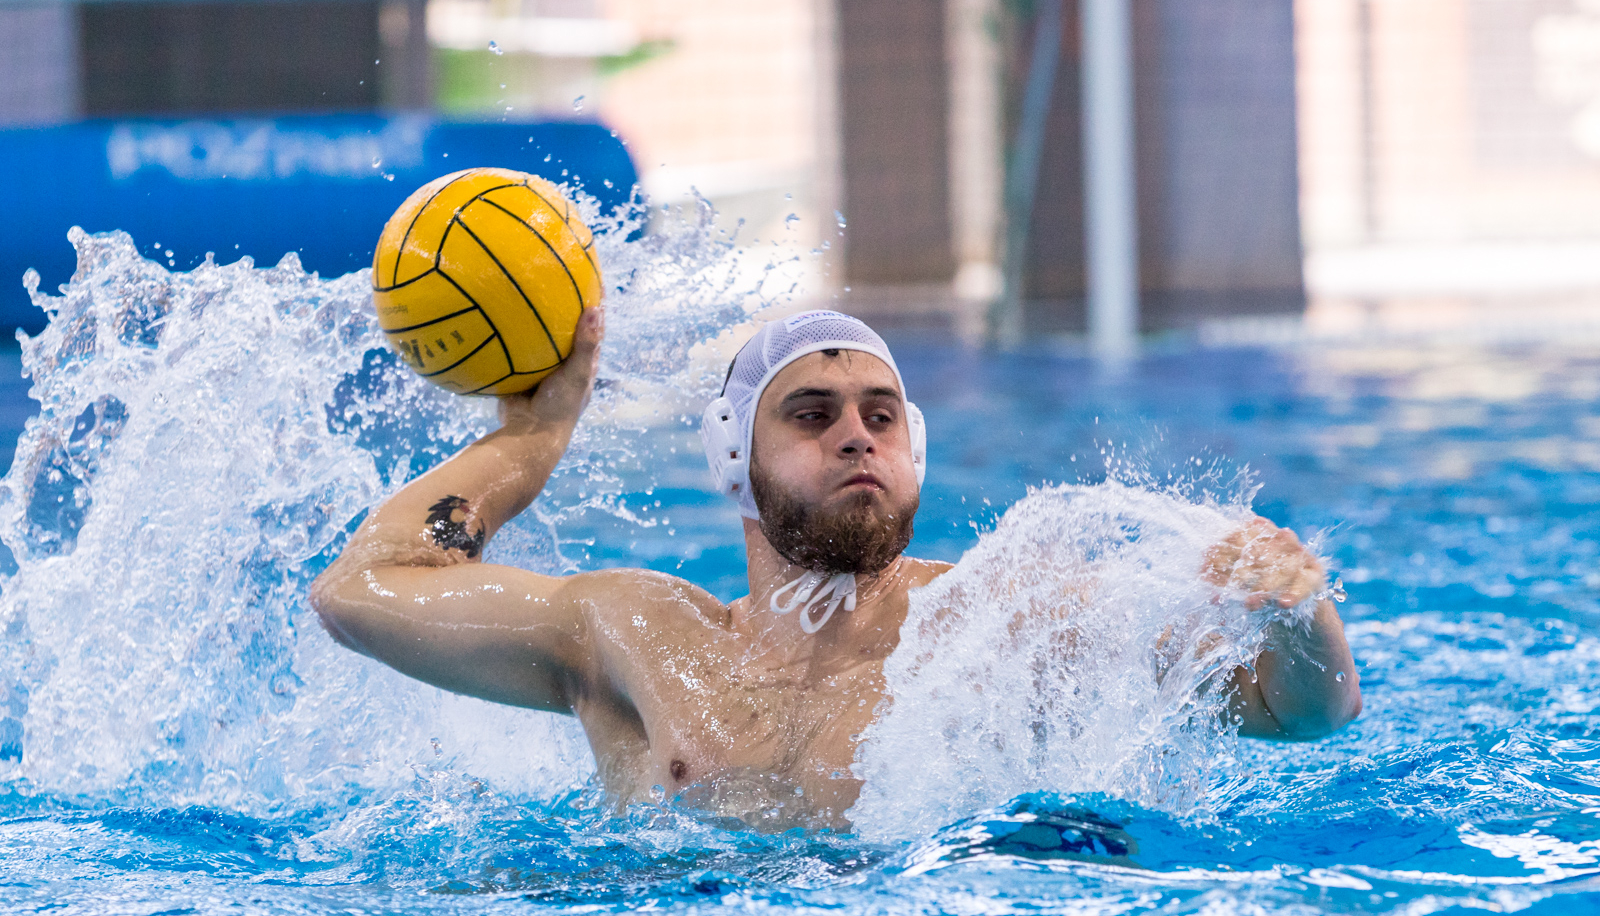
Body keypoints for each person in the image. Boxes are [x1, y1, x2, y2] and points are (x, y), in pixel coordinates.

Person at [310, 308, 1359, 829]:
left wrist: (1296, 609)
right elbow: (360, 590)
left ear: (913, 448)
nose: (857, 436)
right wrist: (531, 443)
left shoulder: (1004, 620)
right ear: (736, 461)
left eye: (881, 414)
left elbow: (1298, 711)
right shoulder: (634, 636)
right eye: (811, 416)